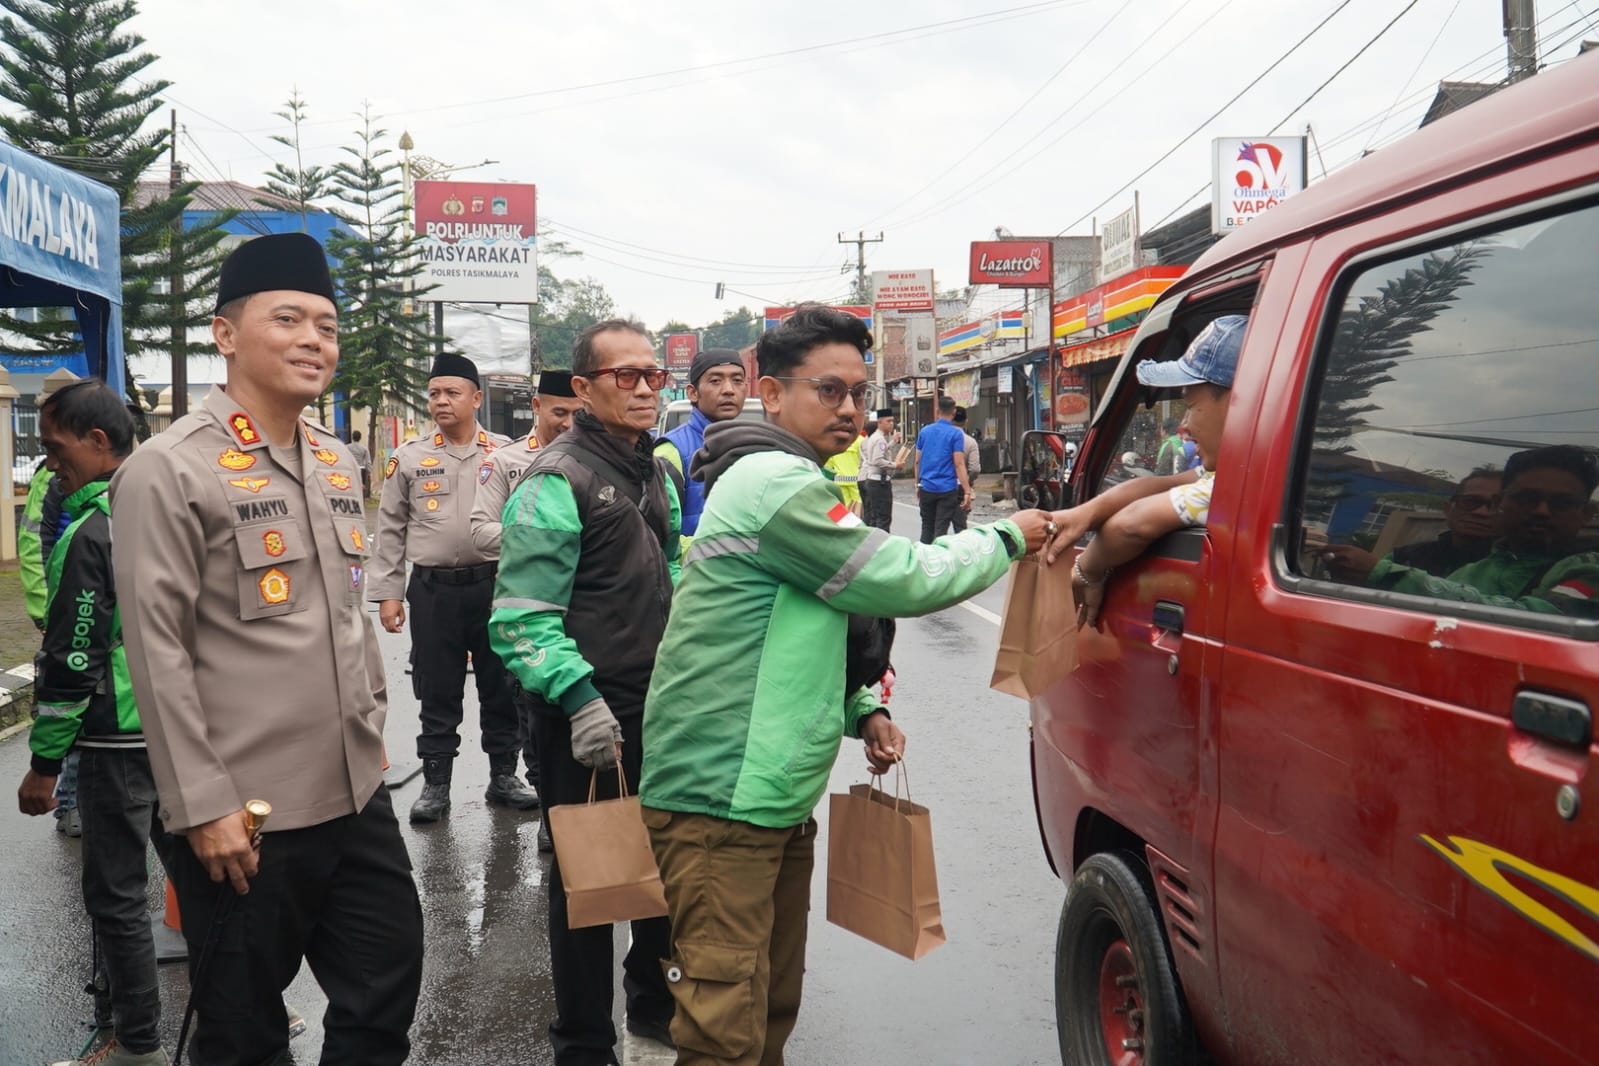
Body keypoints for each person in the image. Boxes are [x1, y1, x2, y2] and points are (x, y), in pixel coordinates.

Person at [638, 305, 1056, 1066]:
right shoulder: (772, 481)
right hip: (720, 793)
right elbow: (897, 577)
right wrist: (1003, 536)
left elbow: (806, 623)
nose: (849, 410)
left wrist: (862, 707)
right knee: (724, 1021)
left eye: (859, 395)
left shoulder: (793, 475)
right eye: (828, 391)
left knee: (766, 1003)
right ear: (770, 393)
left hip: (766, 792)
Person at [111, 232, 423, 1066]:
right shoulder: (168, 470)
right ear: (225, 334)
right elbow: (157, 650)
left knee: (385, 985)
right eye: (288, 319)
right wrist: (203, 804)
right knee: (244, 1030)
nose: (313, 339)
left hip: (355, 791)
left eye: (326, 324)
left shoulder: (333, 457)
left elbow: (346, 616)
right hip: (244, 816)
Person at [489, 318, 681, 1066]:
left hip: (656, 708)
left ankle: (653, 1009)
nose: (642, 389)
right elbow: (521, 618)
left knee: (658, 875)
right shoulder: (553, 480)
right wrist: (577, 699)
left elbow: (665, 577)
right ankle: (582, 1042)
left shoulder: (654, 471)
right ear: (582, 388)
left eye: (652, 375)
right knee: (589, 891)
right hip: (585, 717)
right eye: (623, 376)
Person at [17, 381, 170, 1066]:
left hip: (117, 739)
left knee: (115, 897)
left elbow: (73, 655)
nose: (50, 464)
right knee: (203, 883)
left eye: (55, 448)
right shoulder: (165, 508)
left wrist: (45, 765)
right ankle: (249, 1012)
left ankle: (131, 1041)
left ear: (98, 442)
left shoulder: (92, 530)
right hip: (183, 733)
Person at [370, 353, 539, 823]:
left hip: (496, 586)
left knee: (502, 687)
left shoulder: (505, 453)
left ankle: (504, 776)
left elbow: (527, 520)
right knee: (436, 688)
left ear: (476, 398)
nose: (441, 401)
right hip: (433, 592)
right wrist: (388, 593)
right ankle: (436, 786)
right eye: (435, 393)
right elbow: (390, 530)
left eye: (452, 393)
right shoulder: (409, 457)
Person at [1043, 315, 1248, 626]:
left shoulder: (1232, 485)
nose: (1185, 426)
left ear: (1237, 404)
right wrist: (1079, 516)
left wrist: (1088, 570)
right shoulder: (1237, 472)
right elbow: (1161, 484)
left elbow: (1131, 525)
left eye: (1191, 406)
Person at [468, 369, 582, 851]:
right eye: (560, 412)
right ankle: (549, 810)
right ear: (537, 407)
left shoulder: (598, 460)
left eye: (579, 413)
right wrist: (542, 540)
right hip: (533, 608)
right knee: (533, 711)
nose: (570, 423)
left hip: (587, 609)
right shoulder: (506, 461)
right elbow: (478, 531)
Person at [1325, 446, 1597, 617]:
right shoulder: (1471, 570)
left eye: (1562, 503)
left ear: (1586, 515)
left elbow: (1544, 621)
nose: (1542, 511)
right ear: (1503, 504)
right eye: (1527, 498)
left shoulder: (1587, 568)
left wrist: (1383, 575)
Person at [655, 347, 748, 539]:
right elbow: (657, 537)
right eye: (715, 381)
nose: (729, 390)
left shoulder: (753, 450)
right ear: (693, 393)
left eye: (737, 380)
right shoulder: (670, 452)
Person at [1387, 468, 1502, 577]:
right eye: (1471, 501)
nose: (1481, 512)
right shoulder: (1405, 557)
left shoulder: (1513, 571)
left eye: (1496, 505)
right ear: (1448, 509)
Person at [914, 395, 971, 542]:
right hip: (947, 489)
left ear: (937, 411)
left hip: (926, 487)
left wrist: (917, 484)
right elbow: (958, 463)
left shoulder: (925, 431)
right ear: (953, 413)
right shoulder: (956, 433)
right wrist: (967, 490)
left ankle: (922, 559)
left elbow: (917, 461)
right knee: (940, 529)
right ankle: (937, 561)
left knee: (926, 527)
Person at [858, 408, 901, 531]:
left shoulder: (875, 438)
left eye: (892, 421)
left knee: (874, 517)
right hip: (878, 482)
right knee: (883, 519)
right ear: (879, 422)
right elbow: (877, 460)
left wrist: (893, 442)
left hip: (871, 480)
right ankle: (882, 546)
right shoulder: (879, 439)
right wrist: (895, 465)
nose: (891, 424)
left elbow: (882, 450)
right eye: (888, 421)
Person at [951, 406, 981, 532]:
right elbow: (974, 469)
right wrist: (968, 483)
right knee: (960, 528)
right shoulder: (970, 442)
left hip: (939, 485)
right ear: (966, 421)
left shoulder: (942, 438)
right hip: (960, 487)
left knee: (938, 527)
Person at [823, 429, 863, 515]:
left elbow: (828, 465)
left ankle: (844, 526)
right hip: (856, 480)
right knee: (858, 508)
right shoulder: (859, 440)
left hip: (840, 480)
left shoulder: (833, 442)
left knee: (843, 508)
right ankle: (857, 527)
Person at [347, 428, 371, 497]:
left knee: (351, 486)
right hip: (361, 470)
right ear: (360, 438)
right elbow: (368, 462)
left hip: (351, 469)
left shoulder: (347, 447)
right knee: (361, 487)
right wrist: (369, 472)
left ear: (352, 437)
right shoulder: (364, 448)